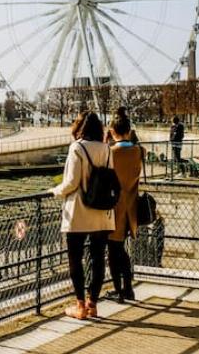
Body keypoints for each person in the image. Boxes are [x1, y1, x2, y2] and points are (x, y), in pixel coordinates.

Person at [49, 112, 114, 320]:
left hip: (79, 211)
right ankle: (93, 303)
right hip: (103, 212)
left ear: (80, 129)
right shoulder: (106, 149)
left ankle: (80, 306)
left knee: (75, 260)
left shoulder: (77, 147)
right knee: (97, 259)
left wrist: (55, 191)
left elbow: (71, 182)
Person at [107, 107, 145, 303]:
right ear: (129, 130)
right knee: (121, 250)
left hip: (113, 209)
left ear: (112, 131)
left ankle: (119, 290)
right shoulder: (139, 151)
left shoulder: (110, 153)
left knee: (114, 252)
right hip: (132, 207)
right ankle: (128, 287)